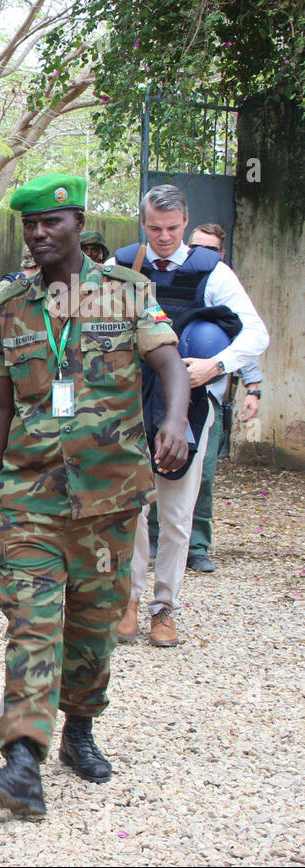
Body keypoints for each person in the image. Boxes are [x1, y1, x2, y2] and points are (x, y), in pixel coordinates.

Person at [0, 174, 191, 817]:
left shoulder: (126, 294)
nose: (39, 234)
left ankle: (80, 731)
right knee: (32, 623)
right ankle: (22, 762)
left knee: (93, 629)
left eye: (52, 222)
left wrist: (174, 420)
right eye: (30, 224)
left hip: (110, 496)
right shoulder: (6, 306)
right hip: (30, 496)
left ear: (77, 222)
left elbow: (170, 364)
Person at [110, 185, 268, 645]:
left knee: (177, 513)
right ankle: (130, 601)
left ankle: (165, 607)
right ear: (143, 223)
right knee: (131, 506)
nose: (164, 237)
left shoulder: (210, 269)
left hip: (191, 402)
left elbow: (255, 332)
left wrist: (216, 366)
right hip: (130, 401)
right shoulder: (120, 266)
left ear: (185, 222)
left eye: (173, 228)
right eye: (155, 228)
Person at [181, 223, 265, 573]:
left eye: (210, 250)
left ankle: (197, 545)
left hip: (210, 397)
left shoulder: (222, 282)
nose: (203, 256)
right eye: (197, 248)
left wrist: (254, 388)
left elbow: (244, 340)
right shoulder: (176, 279)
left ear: (221, 254)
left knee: (205, 473)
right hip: (163, 391)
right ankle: (156, 539)